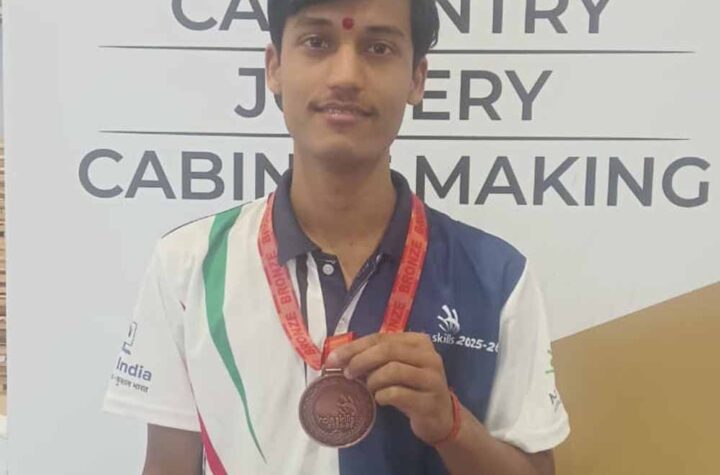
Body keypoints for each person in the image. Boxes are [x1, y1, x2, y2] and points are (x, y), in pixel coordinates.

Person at [103, 0, 570, 473]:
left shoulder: (498, 278)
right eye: (317, 42)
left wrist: (450, 425)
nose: (346, 75)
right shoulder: (189, 265)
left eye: (378, 47)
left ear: (416, 78)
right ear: (274, 68)